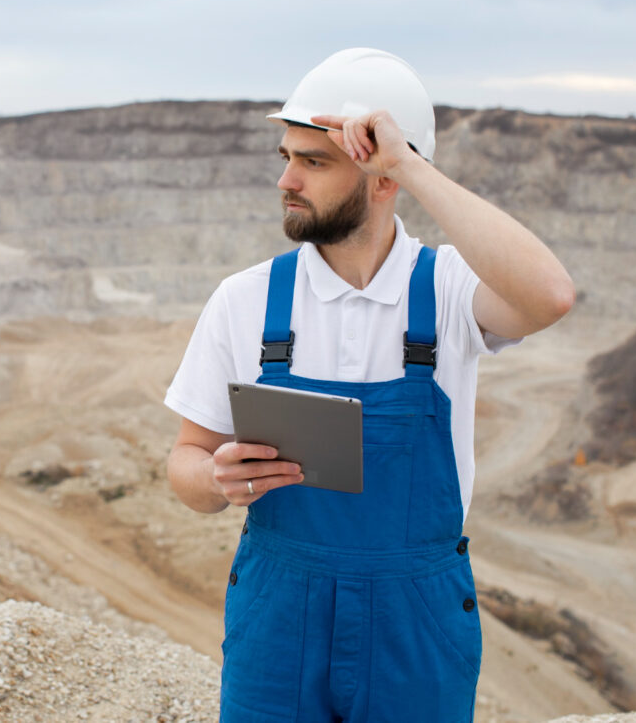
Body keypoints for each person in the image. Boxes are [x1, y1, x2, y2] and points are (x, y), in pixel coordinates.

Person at [164, 48, 575, 722]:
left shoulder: (447, 292)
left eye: (314, 162)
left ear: (381, 179)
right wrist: (214, 480)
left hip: (413, 621)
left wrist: (410, 166)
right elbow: (186, 458)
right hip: (277, 615)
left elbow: (550, 296)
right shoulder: (244, 301)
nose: (286, 180)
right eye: (286, 157)